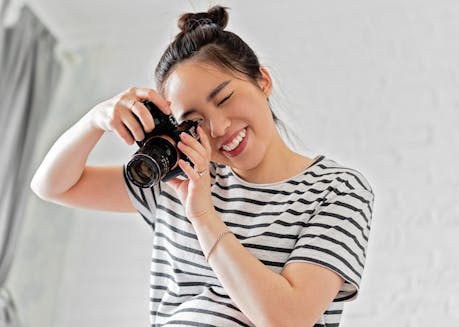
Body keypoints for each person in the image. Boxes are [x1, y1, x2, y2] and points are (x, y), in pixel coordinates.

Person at [31, 5, 375, 327]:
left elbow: (287, 319)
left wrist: (203, 216)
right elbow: (53, 186)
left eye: (224, 99)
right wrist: (94, 121)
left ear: (262, 81)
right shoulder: (179, 178)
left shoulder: (335, 190)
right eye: (194, 122)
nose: (219, 128)